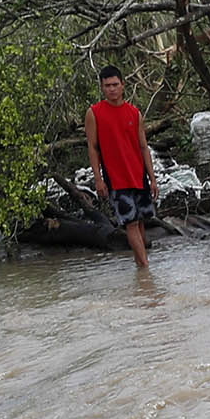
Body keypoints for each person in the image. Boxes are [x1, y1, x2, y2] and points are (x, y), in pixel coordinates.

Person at [86, 66, 157, 273]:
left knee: (141, 223)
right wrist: (98, 179)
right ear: (102, 88)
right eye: (107, 86)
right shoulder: (94, 113)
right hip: (115, 178)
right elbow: (93, 147)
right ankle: (146, 271)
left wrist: (152, 178)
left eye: (115, 85)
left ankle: (140, 269)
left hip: (138, 175)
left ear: (123, 85)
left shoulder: (134, 113)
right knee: (131, 223)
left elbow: (143, 146)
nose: (112, 89)